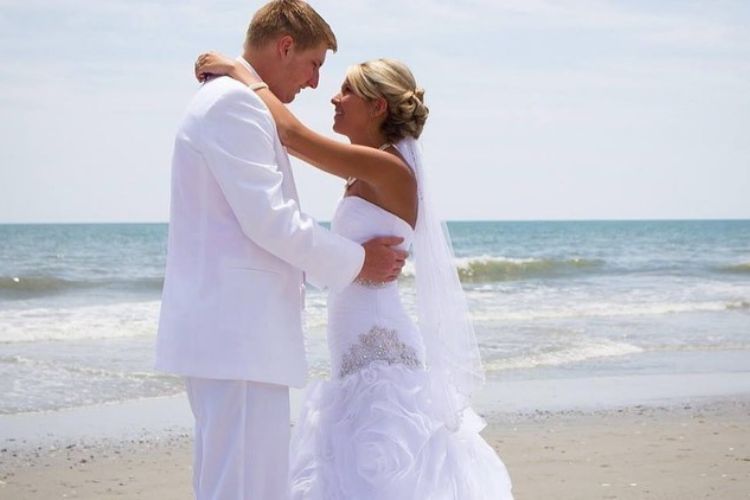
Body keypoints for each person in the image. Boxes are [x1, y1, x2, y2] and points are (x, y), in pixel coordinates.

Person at [195, 49, 514, 498]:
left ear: (377, 106)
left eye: (346, 90)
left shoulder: (387, 167)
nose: (333, 98)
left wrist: (241, 72)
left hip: (381, 358)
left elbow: (291, 135)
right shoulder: (366, 169)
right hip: (353, 361)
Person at [154, 2, 407, 499]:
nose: (316, 83)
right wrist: (360, 262)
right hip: (239, 337)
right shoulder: (233, 104)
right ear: (285, 46)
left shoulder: (229, 99)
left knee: (234, 484)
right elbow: (273, 222)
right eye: (314, 64)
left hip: (232, 338)